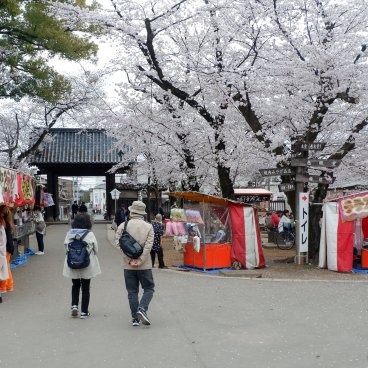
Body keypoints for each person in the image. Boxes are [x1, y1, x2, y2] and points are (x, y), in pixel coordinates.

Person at [115, 200, 154, 327]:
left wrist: (129, 260)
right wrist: (141, 260)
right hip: (144, 265)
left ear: (131, 211)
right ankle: (142, 309)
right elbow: (148, 247)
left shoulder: (123, 226)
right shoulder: (148, 226)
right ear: (143, 213)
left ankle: (135, 319)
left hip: (128, 265)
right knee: (148, 288)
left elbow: (118, 244)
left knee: (132, 291)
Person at [63, 213, 101, 319]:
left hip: (73, 263)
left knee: (75, 285)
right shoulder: (90, 234)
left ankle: (74, 305)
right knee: (85, 287)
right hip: (86, 264)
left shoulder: (69, 234)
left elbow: (66, 248)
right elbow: (96, 249)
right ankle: (84, 312)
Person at [0, 206, 14, 302]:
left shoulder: (3, 223)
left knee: (4, 268)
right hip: (7, 248)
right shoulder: (7, 221)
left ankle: (4, 287)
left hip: (5, 249)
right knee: (6, 267)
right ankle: (8, 286)